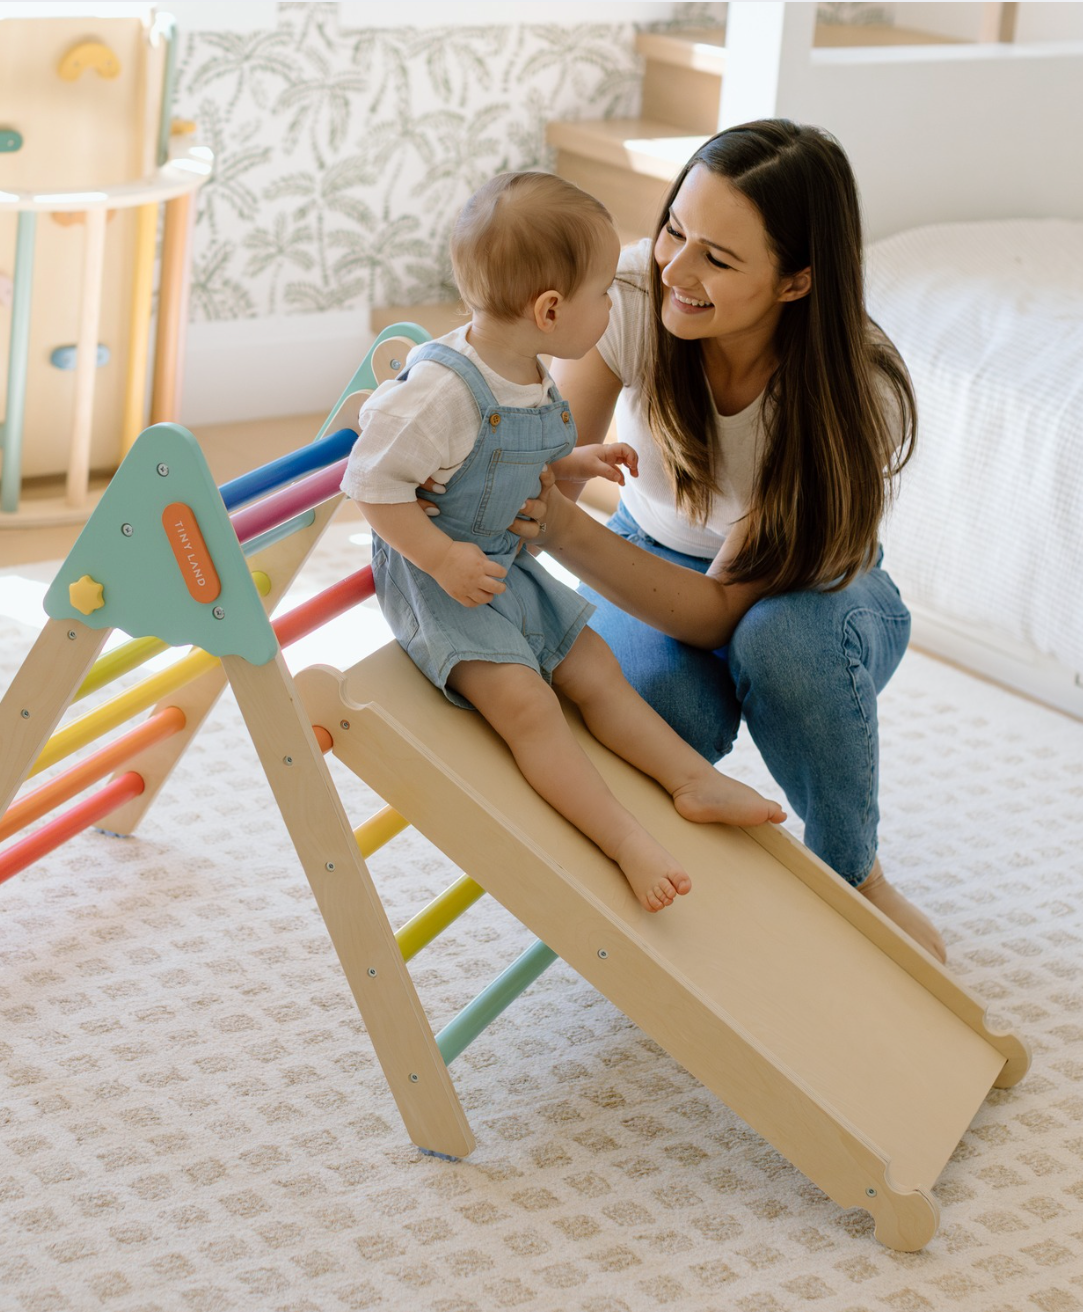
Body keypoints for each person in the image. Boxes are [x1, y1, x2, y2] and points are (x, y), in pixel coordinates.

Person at [515, 120, 947, 962]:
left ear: (795, 283)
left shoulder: (854, 394)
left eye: (717, 256)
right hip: (647, 549)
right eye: (676, 226)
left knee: (778, 644)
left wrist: (561, 526)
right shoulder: (636, 294)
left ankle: (853, 876)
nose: (675, 266)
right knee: (649, 707)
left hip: (815, 601)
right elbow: (550, 460)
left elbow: (719, 611)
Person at [343, 171, 786, 915]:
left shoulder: (526, 370)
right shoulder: (442, 390)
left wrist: (572, 464)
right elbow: (372, 484)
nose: (616, 306)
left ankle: (691, 780)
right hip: (444, 581)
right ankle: (624, 841)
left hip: (499, 565)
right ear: (550, 310)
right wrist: (441, 558)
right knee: (530, 707)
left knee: (594, 666)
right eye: (603, 296)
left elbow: (505, 464)